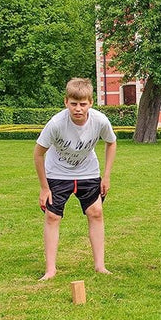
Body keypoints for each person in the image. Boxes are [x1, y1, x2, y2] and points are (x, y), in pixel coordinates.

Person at [34, 77, 117, 281]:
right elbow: (38, 154)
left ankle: (100, 266)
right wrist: (44, 188)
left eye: (82, 104)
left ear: (90, 103)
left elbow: (111, 143)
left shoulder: (100, 121)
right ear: (66, 102)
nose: (78, 109)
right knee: (53, 217)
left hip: (88, 172)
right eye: (73, 104)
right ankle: (50, 270)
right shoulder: (55, 124)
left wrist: (106, 176)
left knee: (96, 212)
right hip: (57, 173)